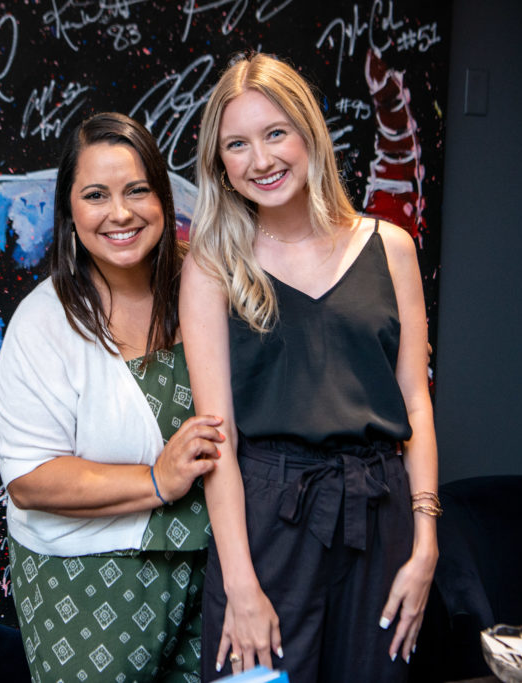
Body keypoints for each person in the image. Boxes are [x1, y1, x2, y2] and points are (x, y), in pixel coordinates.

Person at [179, 54, 440, 682]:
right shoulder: (213, 267)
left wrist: (426, 544)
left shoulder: (391, 247)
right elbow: (219, 437)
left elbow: (415, 404)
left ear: (309, 134)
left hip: (381, 517)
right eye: (237, 145)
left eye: (275, 134)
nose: (261, 160)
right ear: (220, 165)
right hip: (269, 523)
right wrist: (240, 581)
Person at [0, 112, 224, 683]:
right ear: (71, 212)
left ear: (164, 199)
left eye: (137, 191)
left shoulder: (204, 289)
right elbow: (29, 478)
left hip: (211, 568)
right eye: (96, 195)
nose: (120, 213)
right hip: (89, 580)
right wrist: (156, 480)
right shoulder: (43, 322)